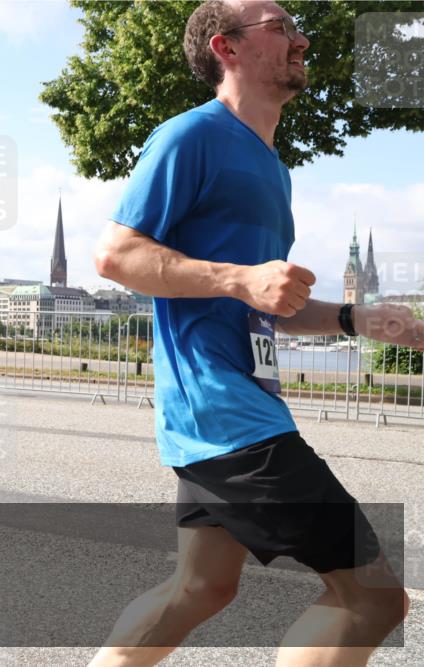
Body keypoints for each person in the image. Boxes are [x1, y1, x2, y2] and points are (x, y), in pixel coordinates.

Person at [89, 2, 419, 666]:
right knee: (373, 597)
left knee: (200, 588)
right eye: (280, 24)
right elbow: (116, 255)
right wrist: (240, 278)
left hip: (227, 411)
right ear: (227, 47)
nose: (301, 36)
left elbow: (266, 303)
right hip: (227, 414)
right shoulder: (191, 137)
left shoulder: (271, 166)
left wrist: (358, 319)